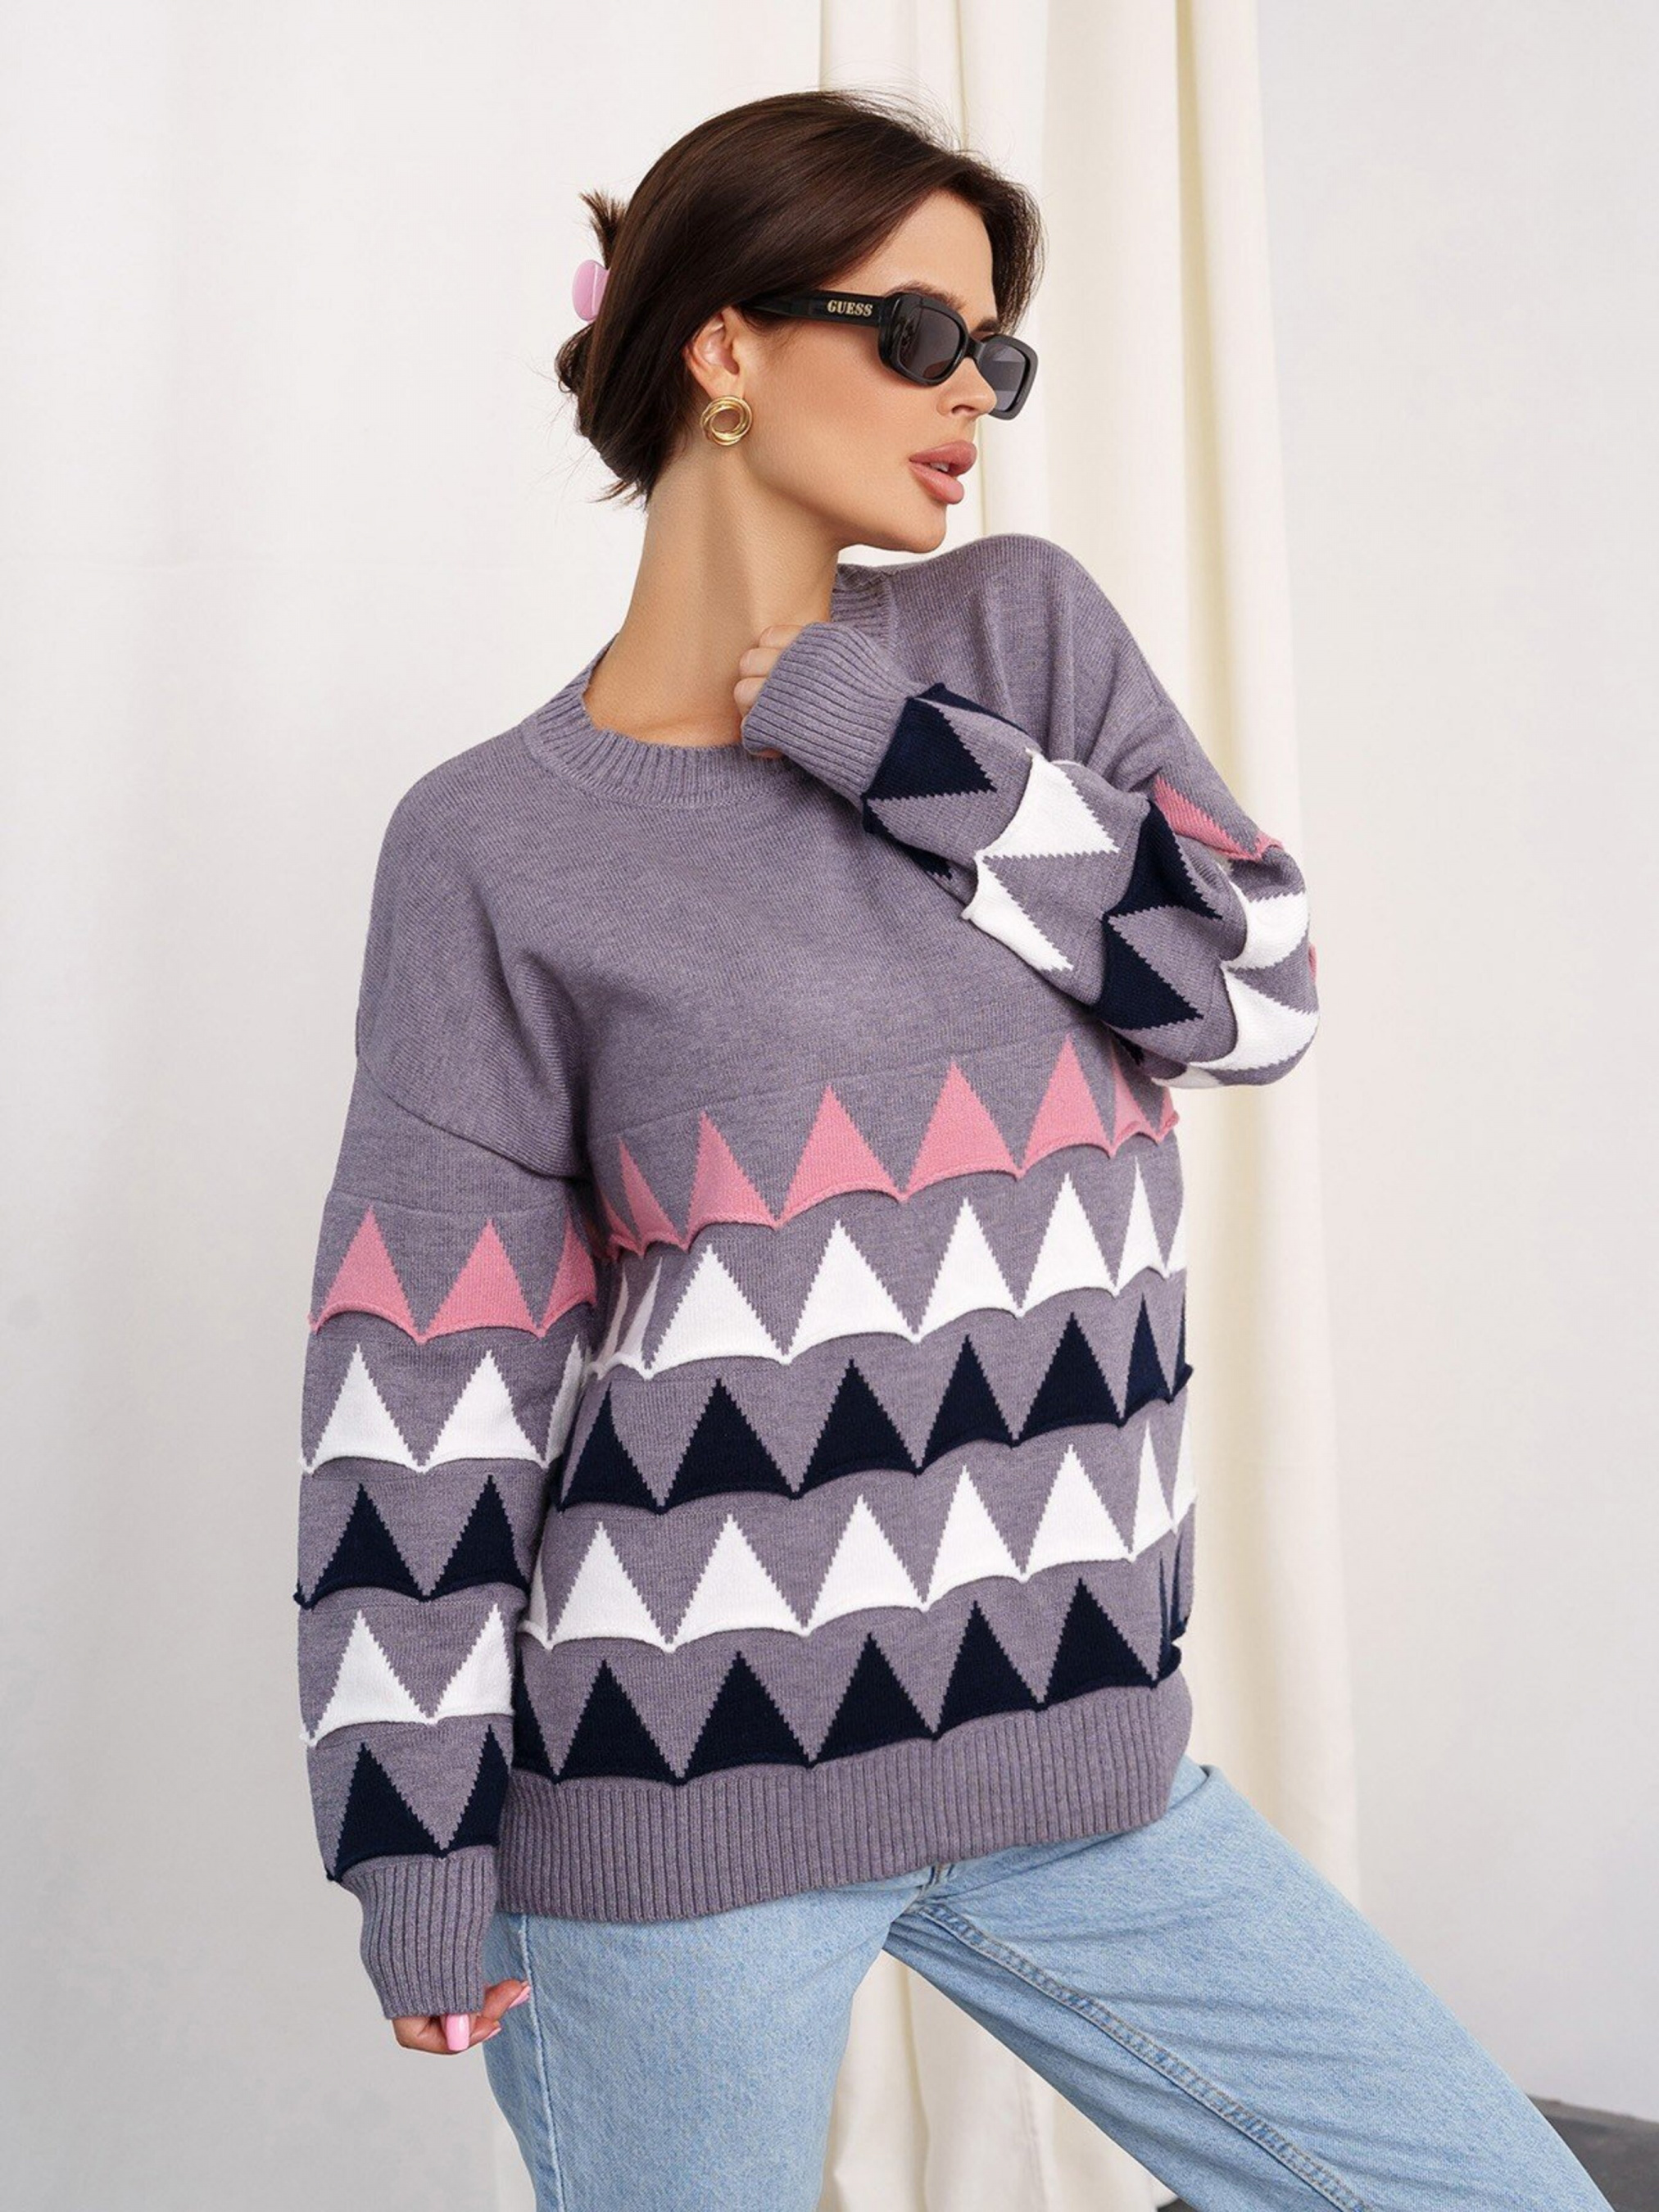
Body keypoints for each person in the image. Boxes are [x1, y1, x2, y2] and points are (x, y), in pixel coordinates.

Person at [293, 87, 1613, 2212]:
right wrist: (412, 1852)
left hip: (1081, 1777)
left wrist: (874, 732)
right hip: (670, 1814)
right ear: (724, 345)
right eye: (921, 335)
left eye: (997, 350)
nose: (972, 394)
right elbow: (424, 1378)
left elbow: (1251, 991)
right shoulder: (492, 841)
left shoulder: (1013, 641)